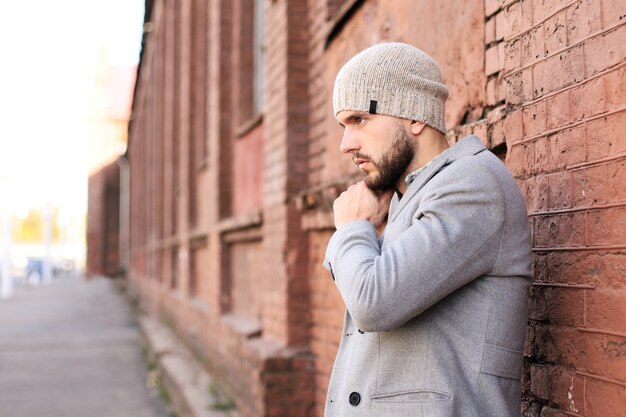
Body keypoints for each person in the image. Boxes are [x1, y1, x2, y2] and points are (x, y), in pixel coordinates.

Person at [323, 42, 532, 417]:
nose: (346, 144)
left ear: (415, 117)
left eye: (360, 119)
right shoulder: (407, 195)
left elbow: (374, 301)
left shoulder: (472, 185)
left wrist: (353, 228)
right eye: (343, 125)